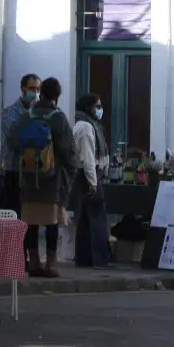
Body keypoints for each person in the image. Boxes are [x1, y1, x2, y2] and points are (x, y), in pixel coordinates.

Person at [13, 77, 79, 277]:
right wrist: (71, 172)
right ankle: (51, 263)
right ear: (57, 96)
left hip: (28, 178)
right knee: (51, 223)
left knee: (31, 222)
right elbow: (68, 151)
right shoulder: (58, 118)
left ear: (41, 92)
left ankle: (33, 261)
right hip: (52, 180)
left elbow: (15, 143)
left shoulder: (27, 116)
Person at [72, 93, 110, 268]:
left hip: (84, 175)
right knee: (97, 219)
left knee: (85, 220)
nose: (100, 110)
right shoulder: (87, 127)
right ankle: (99, 258)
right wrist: (93, 182)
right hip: (88, 175)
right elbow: (88, 158)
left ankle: (84, 258)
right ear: (88, 108)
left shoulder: (81, 125)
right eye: (97, 106)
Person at [0, 73, 43, 215]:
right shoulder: (9, 112)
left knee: (32, 217)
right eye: (32, 88)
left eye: (38, 89)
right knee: (14, 212)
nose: (35, 92)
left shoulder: (41, 112)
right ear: (23, 89)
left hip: (35, 171)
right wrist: (30, 112)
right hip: (15, 170)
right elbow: (15, 137)